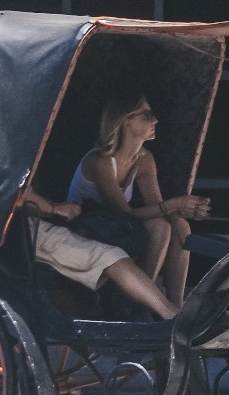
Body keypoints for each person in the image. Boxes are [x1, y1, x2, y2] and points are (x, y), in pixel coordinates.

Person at [68, 93, 211, 306]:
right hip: (87, 228)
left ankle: (175, 305)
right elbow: (125, 213)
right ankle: (141, 302)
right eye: (147, 115)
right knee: (160, 227)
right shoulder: (100, 161)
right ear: (125, 121)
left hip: (117, 228)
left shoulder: (144, 160)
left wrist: (186, 210)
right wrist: (173, 205)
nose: (155, 120)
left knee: (179, 225)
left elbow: (157, 208)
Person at [20, 189, 178, 320]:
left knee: (161, 228)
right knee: (110, 256)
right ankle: (171, 315)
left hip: (34, 221)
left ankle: (164, 306)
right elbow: (19, 192)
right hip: (23, 230)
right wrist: (53, 208)